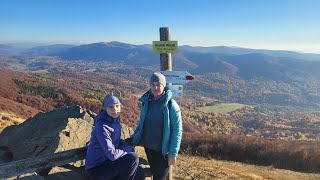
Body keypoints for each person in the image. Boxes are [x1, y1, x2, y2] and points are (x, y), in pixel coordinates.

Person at [133, 72, 183, 180]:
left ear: (163, 85)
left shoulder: (171, 105)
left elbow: (177, 130)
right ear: (150, 85)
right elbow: (142, 123)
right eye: (153, 84)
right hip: (149, 148)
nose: (156, 87)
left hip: (163, 152)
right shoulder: (146, 102)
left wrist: (173, 153)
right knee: (155, 175)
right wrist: (134, 138)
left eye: (158, 84)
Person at [85, 95, 145, 180]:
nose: (115, 109)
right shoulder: (102, 126)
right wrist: (127, 150)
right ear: (105, 109)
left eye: (117, 106)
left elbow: (117, 139)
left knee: (140, 172)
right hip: (97, 169)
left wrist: (125, 145)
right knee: (132, 158)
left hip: (109, 164)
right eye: (111, 107)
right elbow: (112, 155)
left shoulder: (115, 121)